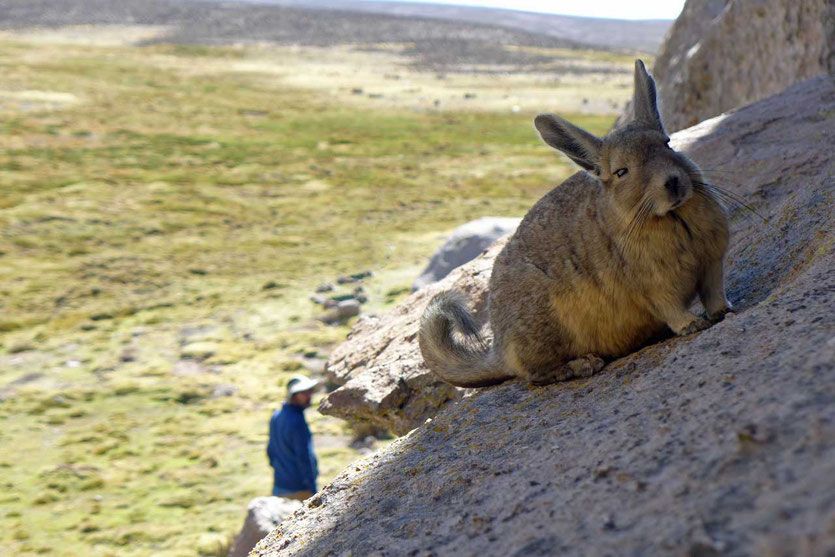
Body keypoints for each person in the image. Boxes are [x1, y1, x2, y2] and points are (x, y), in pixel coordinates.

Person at [266, 375, 320, 500]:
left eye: (309, 391)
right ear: (293, 395)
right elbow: (304, 457)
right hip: (299, 490)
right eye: (303, 393)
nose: (308, 396)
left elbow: (270, 451)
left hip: (279, 486)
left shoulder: (276, 416)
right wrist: (312, 489)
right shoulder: (297, 421)